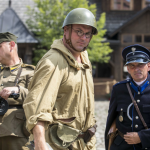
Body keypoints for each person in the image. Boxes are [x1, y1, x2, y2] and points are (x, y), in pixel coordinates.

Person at [23, 8, 98, 150]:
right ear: (66, 30)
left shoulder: (84, 60)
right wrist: (40, 145)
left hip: (82, 144)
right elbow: (38, 110)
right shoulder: (53, 62)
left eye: (87, 34)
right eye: (79, 31)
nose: (83, 38)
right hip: (58, 145)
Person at [105, 44, 150, 150]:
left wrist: (142, 137)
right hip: (122, 146)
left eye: (140, 64)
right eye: (132, 65)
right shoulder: (118, 89)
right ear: (128, 69)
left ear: (148, 66)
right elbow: (110, 120)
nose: (136, 69)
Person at [0, 32, 35, 150]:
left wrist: (18, 90)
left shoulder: (30, 72)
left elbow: (38, 98)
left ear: (11, 45)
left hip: (16, 133)